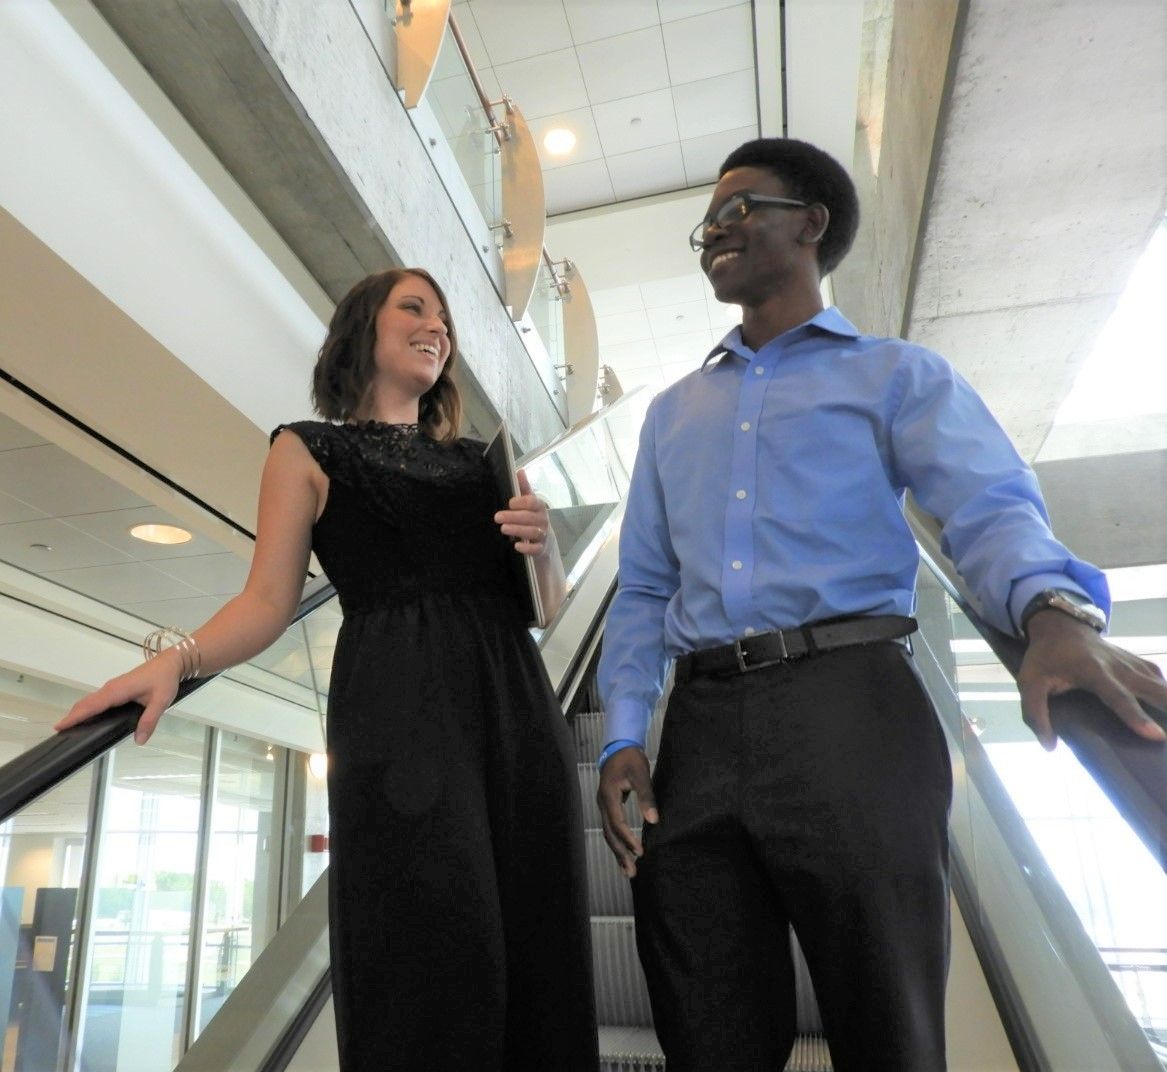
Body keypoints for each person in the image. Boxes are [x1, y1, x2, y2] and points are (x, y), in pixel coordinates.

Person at [595, 138, 1167, 1072]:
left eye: (737, 211)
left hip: (850, 711)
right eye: (705, 226)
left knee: (886, 1028)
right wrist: (623, 733)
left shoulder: (897, 375)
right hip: (693, 734)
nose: (713, 236)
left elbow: (985, 508)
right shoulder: (669, 414)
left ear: (810, 225)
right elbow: (646, 588)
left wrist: (1054, 614)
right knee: (705, 1034)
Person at [58, 268, 599, 1071]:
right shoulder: (308, 448)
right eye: (414, 308)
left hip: (515, 712)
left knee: (536, 938)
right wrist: (175, 660)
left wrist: (543, 545)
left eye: (444, 318)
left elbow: (543, 608)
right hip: (400, 714)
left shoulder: (480, 464)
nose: (436, 327)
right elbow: (267, 600)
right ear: (362, 332)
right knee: (429, 939)